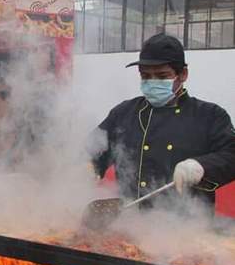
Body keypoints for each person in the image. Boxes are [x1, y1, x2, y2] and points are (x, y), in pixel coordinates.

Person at [89, 33, 235, 212]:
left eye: (161, 76)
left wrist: (201, 166)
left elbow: (231, 155)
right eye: (146, 76)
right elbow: (94, 149)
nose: (152, 82)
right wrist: (87, 166)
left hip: (185, 227)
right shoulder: (123, 113)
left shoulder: (210, 115)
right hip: (127, 223)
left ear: (182, 75)